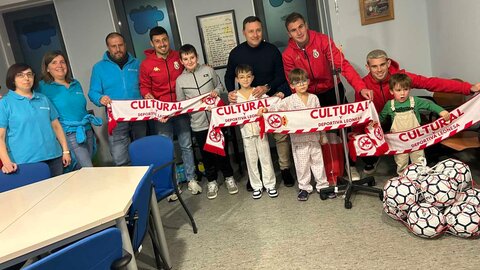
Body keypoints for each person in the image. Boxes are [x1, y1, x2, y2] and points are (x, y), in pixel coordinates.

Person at [282, 12, 373, 180]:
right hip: (308, 96)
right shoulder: (288, 54)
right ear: (289, 34)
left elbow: (343, 65)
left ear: (306, 25)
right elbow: (292, 83)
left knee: (343, 130)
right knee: (319, 134)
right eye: (294, 30)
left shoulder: (323, 40)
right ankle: (327, 170)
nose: (299, 32)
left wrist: (361, 88)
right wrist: (302, 103)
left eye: (301, 26)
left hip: (332, 90)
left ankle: (350, 165)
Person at [357, 49, 480, 174]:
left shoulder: (402, 77)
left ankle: (426, 167)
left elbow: (432, 83)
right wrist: (359, 132)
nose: (379, 70)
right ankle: (372, 160)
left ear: (388, 63)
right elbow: (360, 113)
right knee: (364, 135)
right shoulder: (362, 85)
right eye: (374, 66)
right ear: (368, 67)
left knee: (427, 131)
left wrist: (469, 88)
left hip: (406, 118)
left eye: (382, 65)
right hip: (380, 119)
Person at [225, 15, 295, 189]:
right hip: (248, 104)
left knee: (280, 135)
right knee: (251, 142)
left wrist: (267, 87)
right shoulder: (236, 53)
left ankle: (285, 169)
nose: (255, 34)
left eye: (258, 30)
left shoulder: (272, 50)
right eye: (251, 31)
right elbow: (228, 76)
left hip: (271, 99)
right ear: (244, 33)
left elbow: (282, 76)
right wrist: (230, 92)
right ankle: (254, 176)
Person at [139, 26, 201, 195]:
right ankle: (172, 186)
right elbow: (144, 86)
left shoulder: (177, 57)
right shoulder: (146, 65)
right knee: (166, 150)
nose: (162, 44)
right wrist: (148, 96)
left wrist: (202, 67)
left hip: (181, 110)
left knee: (186, 145)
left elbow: (191, 68)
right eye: (157, 41)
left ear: (168, 40)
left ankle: (191, 179)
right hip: (162, 114)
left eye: (164, 40)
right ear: (152, 43)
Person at [175, 44, 238, 200]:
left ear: (197, 57)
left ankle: (229, 177)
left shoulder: (208, 71)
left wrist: (216, 91)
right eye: (185, 59)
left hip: (216, 120)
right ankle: (211, 180)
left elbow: (220, 86)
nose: (189, 61)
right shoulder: (180, 80)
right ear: (181, 61)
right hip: (198, 123)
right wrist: (189, 104)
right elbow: (180, 103)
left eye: (192, 58)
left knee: (221, 150)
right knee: (206, 154)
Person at [259, 68, 329, 201]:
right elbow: (276, 108)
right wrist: (266, 109)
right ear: (292, 85)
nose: (302, 84)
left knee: (318, 163)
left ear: (308, 82)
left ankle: (323, 186)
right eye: (298, 82)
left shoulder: (314, 98)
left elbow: (321, 119)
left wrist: (322, 135)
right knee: (302, 166)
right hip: (299, 140)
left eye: (304, 81)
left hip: (314, 138)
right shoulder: (289, 100)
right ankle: (304, 187)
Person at [0, 63, 71, 176]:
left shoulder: (43, 99)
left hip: (54, 157)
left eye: (29, 74)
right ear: (12, 80)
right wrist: (6, 161)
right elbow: (1, 136)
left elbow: (56, 126)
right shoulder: (5, 103)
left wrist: (65, 151)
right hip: (25, 162)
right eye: (20, 75)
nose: (26, 78)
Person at [38, 50, 102, 171]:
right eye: (54, 62)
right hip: (68, 133)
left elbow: (81, 109)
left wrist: (93, 131)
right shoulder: (42, 87)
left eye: (62, 62)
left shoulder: (75, 83)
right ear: (47, 68)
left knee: (81, 168)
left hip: (86, 130)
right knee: (88, 169)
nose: (59, 65)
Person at [89, 32, 146, 166]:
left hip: (139, 115)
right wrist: (100, 98)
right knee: (120, 154)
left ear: (125, 45)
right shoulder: (99, 68)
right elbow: (93, 92)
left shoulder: (137, 64)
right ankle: (126, 182)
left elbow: (145, 85)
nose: (118, 49)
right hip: (116, 117)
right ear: (108, 47)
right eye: (113, 46)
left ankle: (146, 180)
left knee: (142, 149)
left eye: (120, 45)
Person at [376, 73, 450, 175]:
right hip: (400, 141)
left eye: (405, 89)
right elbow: (381, 118)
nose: (402, 93)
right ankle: (403, 179)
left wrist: (441, 111)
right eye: (398, 90)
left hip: (416, 139)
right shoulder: (389, 105)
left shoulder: (414, 101)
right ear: (391, 91)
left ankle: (421, 178)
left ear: (409, 89)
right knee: (401, 161)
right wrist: (374, 125)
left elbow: (429, 105)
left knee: (419, 160)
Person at [234, 64, 277, 199]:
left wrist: (266, 109)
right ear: (237, 79)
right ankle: (256, 186)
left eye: (248, 77)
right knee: (251, 161)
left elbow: (271, 104)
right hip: (246, 134)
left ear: (252, 78)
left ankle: (270, 185)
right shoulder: (235, 97)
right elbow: (229, 114)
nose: (245, 80)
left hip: (261, 132)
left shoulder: (258, 93)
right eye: (242, 77)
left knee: (265, 158)